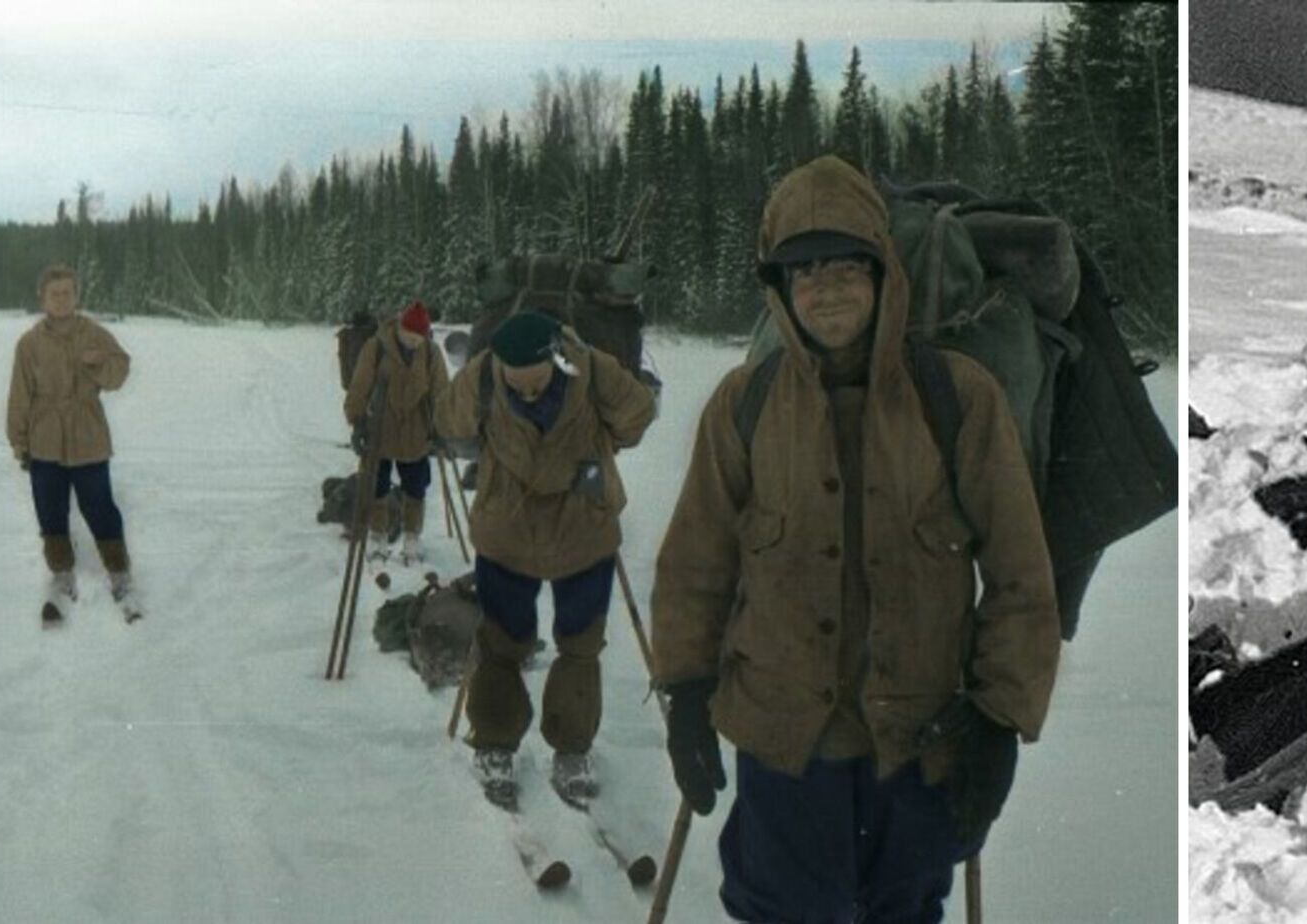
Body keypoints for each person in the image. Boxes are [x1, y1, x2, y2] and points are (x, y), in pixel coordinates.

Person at [652, 155, 1061, 922]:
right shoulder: (745, 404)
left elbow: (1019, 574)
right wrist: (684, 692)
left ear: (883, 276)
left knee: (903, 911)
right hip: (783, 742)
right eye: (806, 271)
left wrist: (1000, 720)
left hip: (919, 742)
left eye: (847, 266)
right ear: (780, 291)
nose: (828, 288)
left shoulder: (959, 396)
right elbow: (696, 564)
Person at [435, 309, 655, 807]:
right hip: (507, 534)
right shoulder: (484, 375)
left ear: (556, 359)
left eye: (537, 383)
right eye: (518, 385)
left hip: (584, 532)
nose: (528, 393)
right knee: (501, 642)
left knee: (581, 644)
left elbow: (638, 413)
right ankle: (494, 742)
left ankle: (572, 748)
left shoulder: (593, 370)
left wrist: (602, 449)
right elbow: (451, 422)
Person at [5, 263, 138, 623]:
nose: (61, 299)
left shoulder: (93, 334)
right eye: (55, 293)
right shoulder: (29, 344)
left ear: (77, 295)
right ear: (42, 298)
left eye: (68, 292)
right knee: (50, 509)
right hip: (44, 439)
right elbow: (19, 396)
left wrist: (98, 365)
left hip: (88, 436)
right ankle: (62, 574)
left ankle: (120, 573)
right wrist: (19, 442)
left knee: (99, 506)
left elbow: (119, 374)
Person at [343, 300, 450, 565]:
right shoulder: (377, 347)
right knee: (377, 487)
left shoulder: (431, 353)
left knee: (416, 487)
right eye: (409, 336)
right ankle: (378, 536)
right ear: (400, 329)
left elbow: (442, 391)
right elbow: (360, 386)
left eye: (419, 338)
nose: (413, 342)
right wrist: (357, 422)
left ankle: (412, 538)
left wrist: (443, 427)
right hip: (380, 429)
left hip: (416, 432)